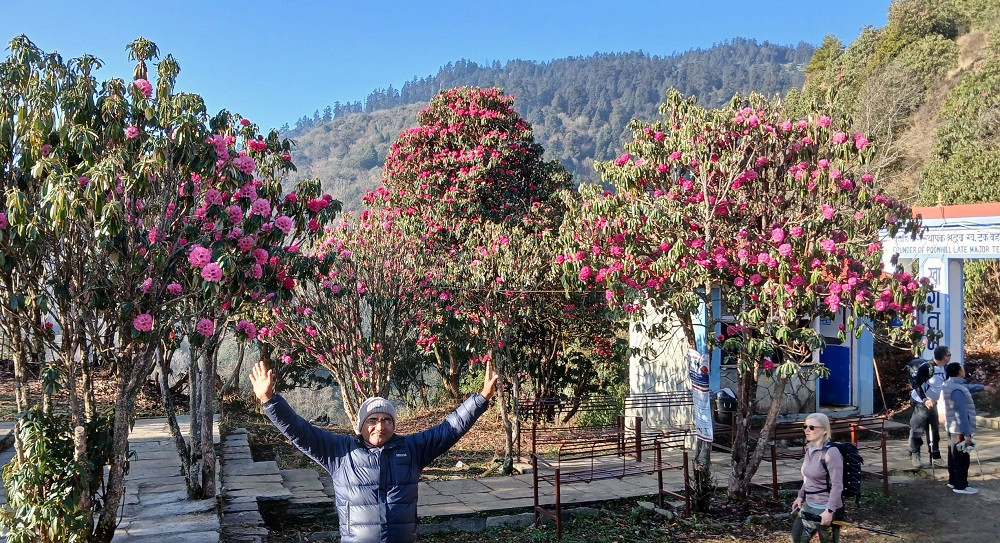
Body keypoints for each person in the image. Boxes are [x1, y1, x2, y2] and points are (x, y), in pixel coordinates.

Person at [250, 359, 499, 543]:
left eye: (386, 420)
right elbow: (300, 430)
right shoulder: (339, 452)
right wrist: (269, 400)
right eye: (372, 420)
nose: (380, 426)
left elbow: (449, 429)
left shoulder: (412, 449)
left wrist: (481, 398)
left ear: (393, 424)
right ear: (361, 425)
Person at [791, 413, 844, 543]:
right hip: (809, 505)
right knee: (797, 539)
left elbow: (838, 485)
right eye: (805, 427)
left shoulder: (831, 453)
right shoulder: (810, 449)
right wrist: (800, 496)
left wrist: (829, 511)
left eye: (812, 427)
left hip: (825, 507)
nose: (807, 430)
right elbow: (808, 477)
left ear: (824, 430)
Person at [940, 361, 985, 494]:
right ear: (959, 372)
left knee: (953, 455)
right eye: (962, 369)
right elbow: (961, 413)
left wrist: (983, 387)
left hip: (952, 427)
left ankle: (953, 481)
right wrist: (966, 433)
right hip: (960, 429)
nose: (964, 370)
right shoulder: (957, 389)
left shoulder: (949, 384)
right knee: (962, 458)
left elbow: (968, 387)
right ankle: (961, 486)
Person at [908, 345, 951, 468]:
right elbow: (916, 384)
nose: (950, 357)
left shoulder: (945, 368)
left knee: (934, 430)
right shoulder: (927, 367)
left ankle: (935, 456)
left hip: (933, 403)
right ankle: (915, 454)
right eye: (949, 355)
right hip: (921, 402)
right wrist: (925, 399)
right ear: (943, 356)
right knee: (917, 429)